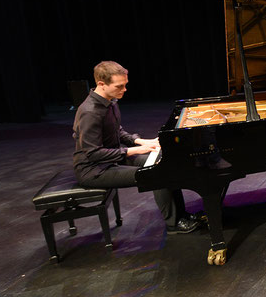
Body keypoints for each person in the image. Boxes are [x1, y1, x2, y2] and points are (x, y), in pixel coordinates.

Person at [72, 61, 201, 233]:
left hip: (112, 157)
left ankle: (182, 214)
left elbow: (116, 131)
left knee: (165, 161)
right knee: (157, 173)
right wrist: (134, 150)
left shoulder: (110, 101)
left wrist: (142, 142)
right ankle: (174, 224)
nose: (124, 90)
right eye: (120, 86)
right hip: (94, 170)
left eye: (125, 85)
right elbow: (93, 153)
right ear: (101, 84)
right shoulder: (90, 112)